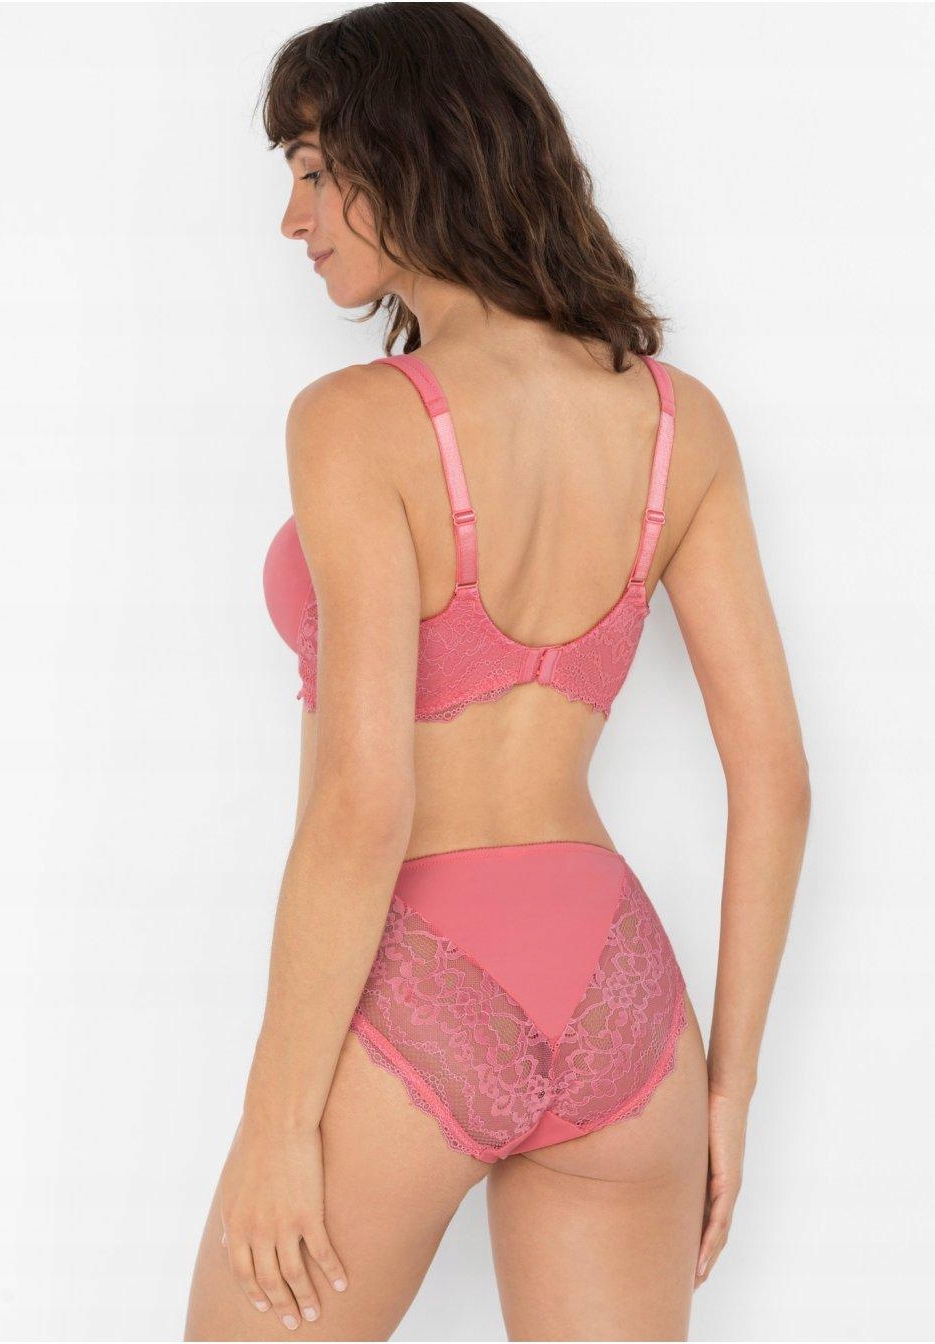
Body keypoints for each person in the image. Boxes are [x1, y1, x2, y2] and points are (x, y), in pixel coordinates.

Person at [184, 4, 810, 1339]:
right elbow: (776, 778)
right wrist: (725, 1086)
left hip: (423, 970)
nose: (292, 220)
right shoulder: (677, 422)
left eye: (313, 170)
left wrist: (276, 1120)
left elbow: (364, 800)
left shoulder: (359, 422)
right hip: (625, 1002)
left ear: (410, 152)